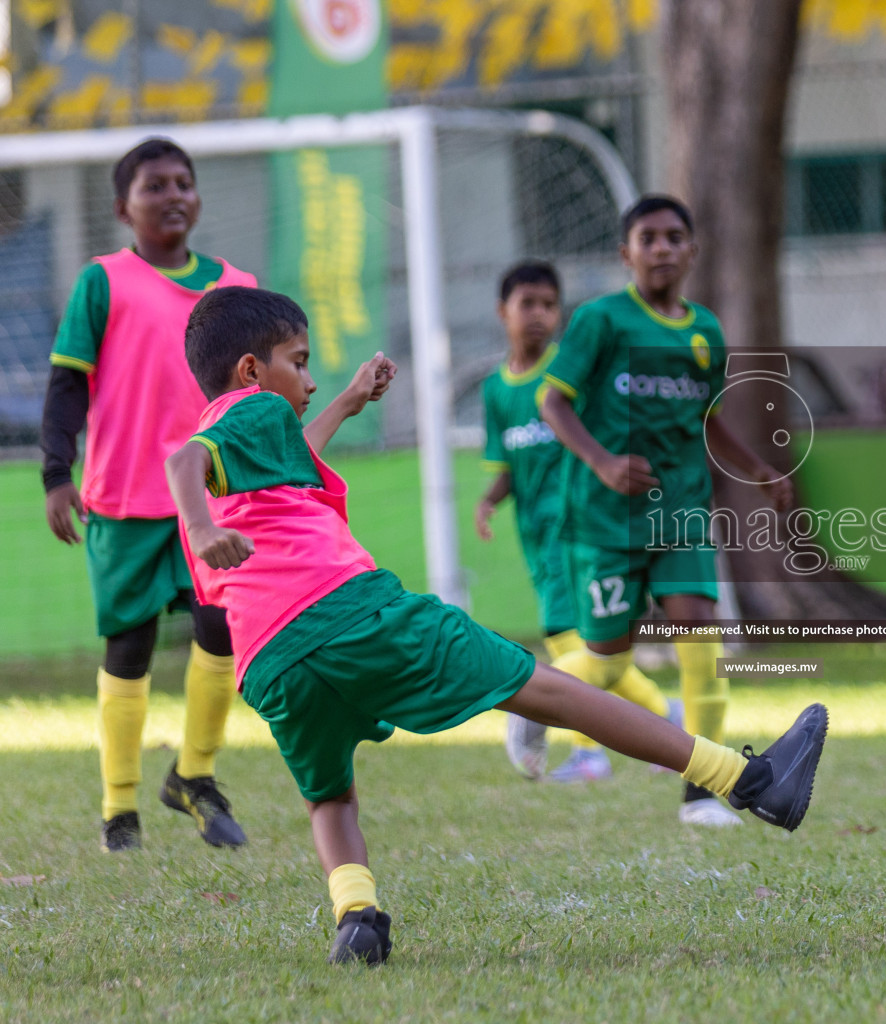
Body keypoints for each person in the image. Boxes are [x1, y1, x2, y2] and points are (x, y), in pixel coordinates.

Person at [166, 285, 827, 965]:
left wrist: (347, 401)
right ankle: (745, 780)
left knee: (330, 797)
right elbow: (184, 459)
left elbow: (291, 457)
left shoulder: (263, 444)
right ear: (252, 370)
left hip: (271, 665)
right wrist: (198, 524)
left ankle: (357, 916)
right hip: (352, 614)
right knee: (554, 691)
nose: (307, 381)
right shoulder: (252, 411)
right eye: (299, 362)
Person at [538, 195, 794, 827]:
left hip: (678, 513)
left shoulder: (705, 331)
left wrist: (758, 471)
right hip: (605, 520)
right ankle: (529, 705)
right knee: (607, 660)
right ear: (626, 253)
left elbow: (706, 419)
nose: (661, 248)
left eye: (673, 237)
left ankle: (703, 794)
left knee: (702, 651)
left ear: (692, 251)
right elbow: (553, 403)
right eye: (647, 238)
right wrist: (601, 461)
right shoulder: (601, 321)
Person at [39, 138, 256, 853]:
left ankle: (194, 776)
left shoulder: (235, 285)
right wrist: (54, 473)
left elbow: (257, 395)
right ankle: (119, 809)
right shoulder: (102, 281)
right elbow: (68, 382)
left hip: (212, 498)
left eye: (184, 182)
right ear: (121, 207)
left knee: (219, 631)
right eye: (154, 184)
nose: (173, 194)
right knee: (128, 646)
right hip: (125, 499)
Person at [475, 260, 678, 782]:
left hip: (584, 534)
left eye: (548, 305)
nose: (539, 315)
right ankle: (666, 719)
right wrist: (489, 501)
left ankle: (587, 752)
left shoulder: (570, 373)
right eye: (528, 304)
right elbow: (508, 464)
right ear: (503, 312)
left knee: (576, 646)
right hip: (538, 542)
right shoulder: (496, 391)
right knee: (596, 655)